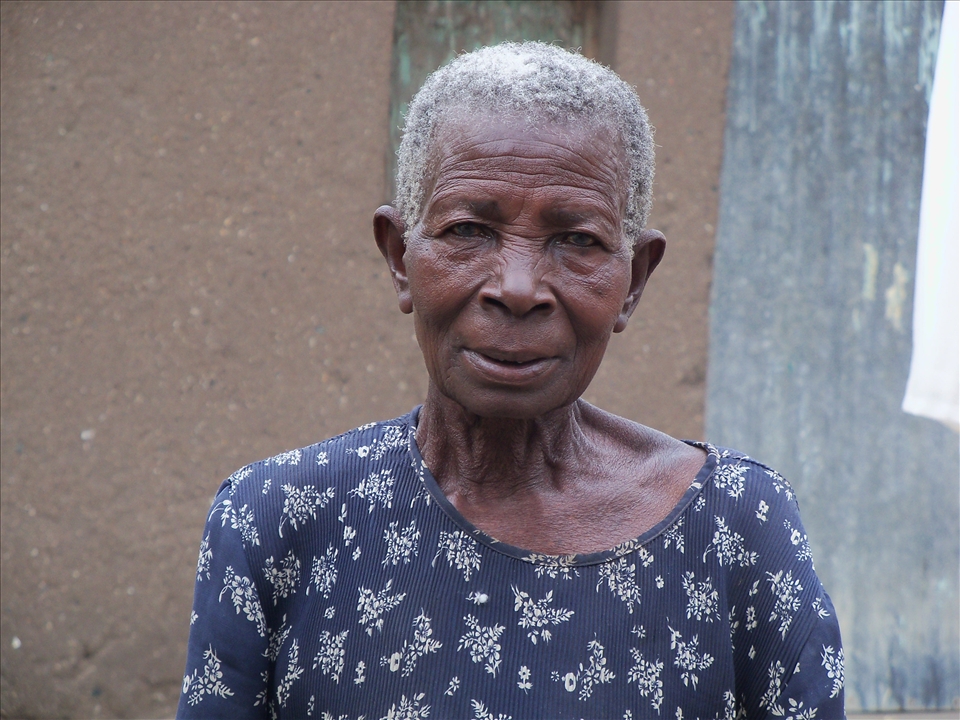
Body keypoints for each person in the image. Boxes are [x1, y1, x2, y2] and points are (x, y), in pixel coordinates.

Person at [177, 42, 844, 719]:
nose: (518, 290)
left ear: (634, 280)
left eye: (577, 240)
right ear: (400, 257)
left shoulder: (737, 525)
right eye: (469, 229)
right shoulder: (278, 517)